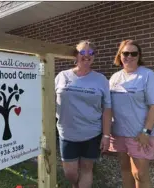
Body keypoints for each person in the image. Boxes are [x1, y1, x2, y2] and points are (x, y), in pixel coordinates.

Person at [55, 40, 112, 188]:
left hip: (92, 133)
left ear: (94, 57)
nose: (87, 56)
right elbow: (49, 99)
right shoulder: (62, 76)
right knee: (70, 173)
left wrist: (106, 135)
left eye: (91, 53)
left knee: (87, 169)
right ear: (76, 55)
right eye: (82, 52)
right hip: (67, 133)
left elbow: (107, 108)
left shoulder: (101, 80)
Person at [108, 39, 154, 188]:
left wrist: (146, 132)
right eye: (126, 53)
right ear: (120, 55)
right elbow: (108, 106)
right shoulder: (114, 78)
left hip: (139, 135)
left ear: (139, 56)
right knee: (125, 170)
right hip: (119, 133)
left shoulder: (148, 76)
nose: (129, 56)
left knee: (140, 174)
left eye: (134, 53)